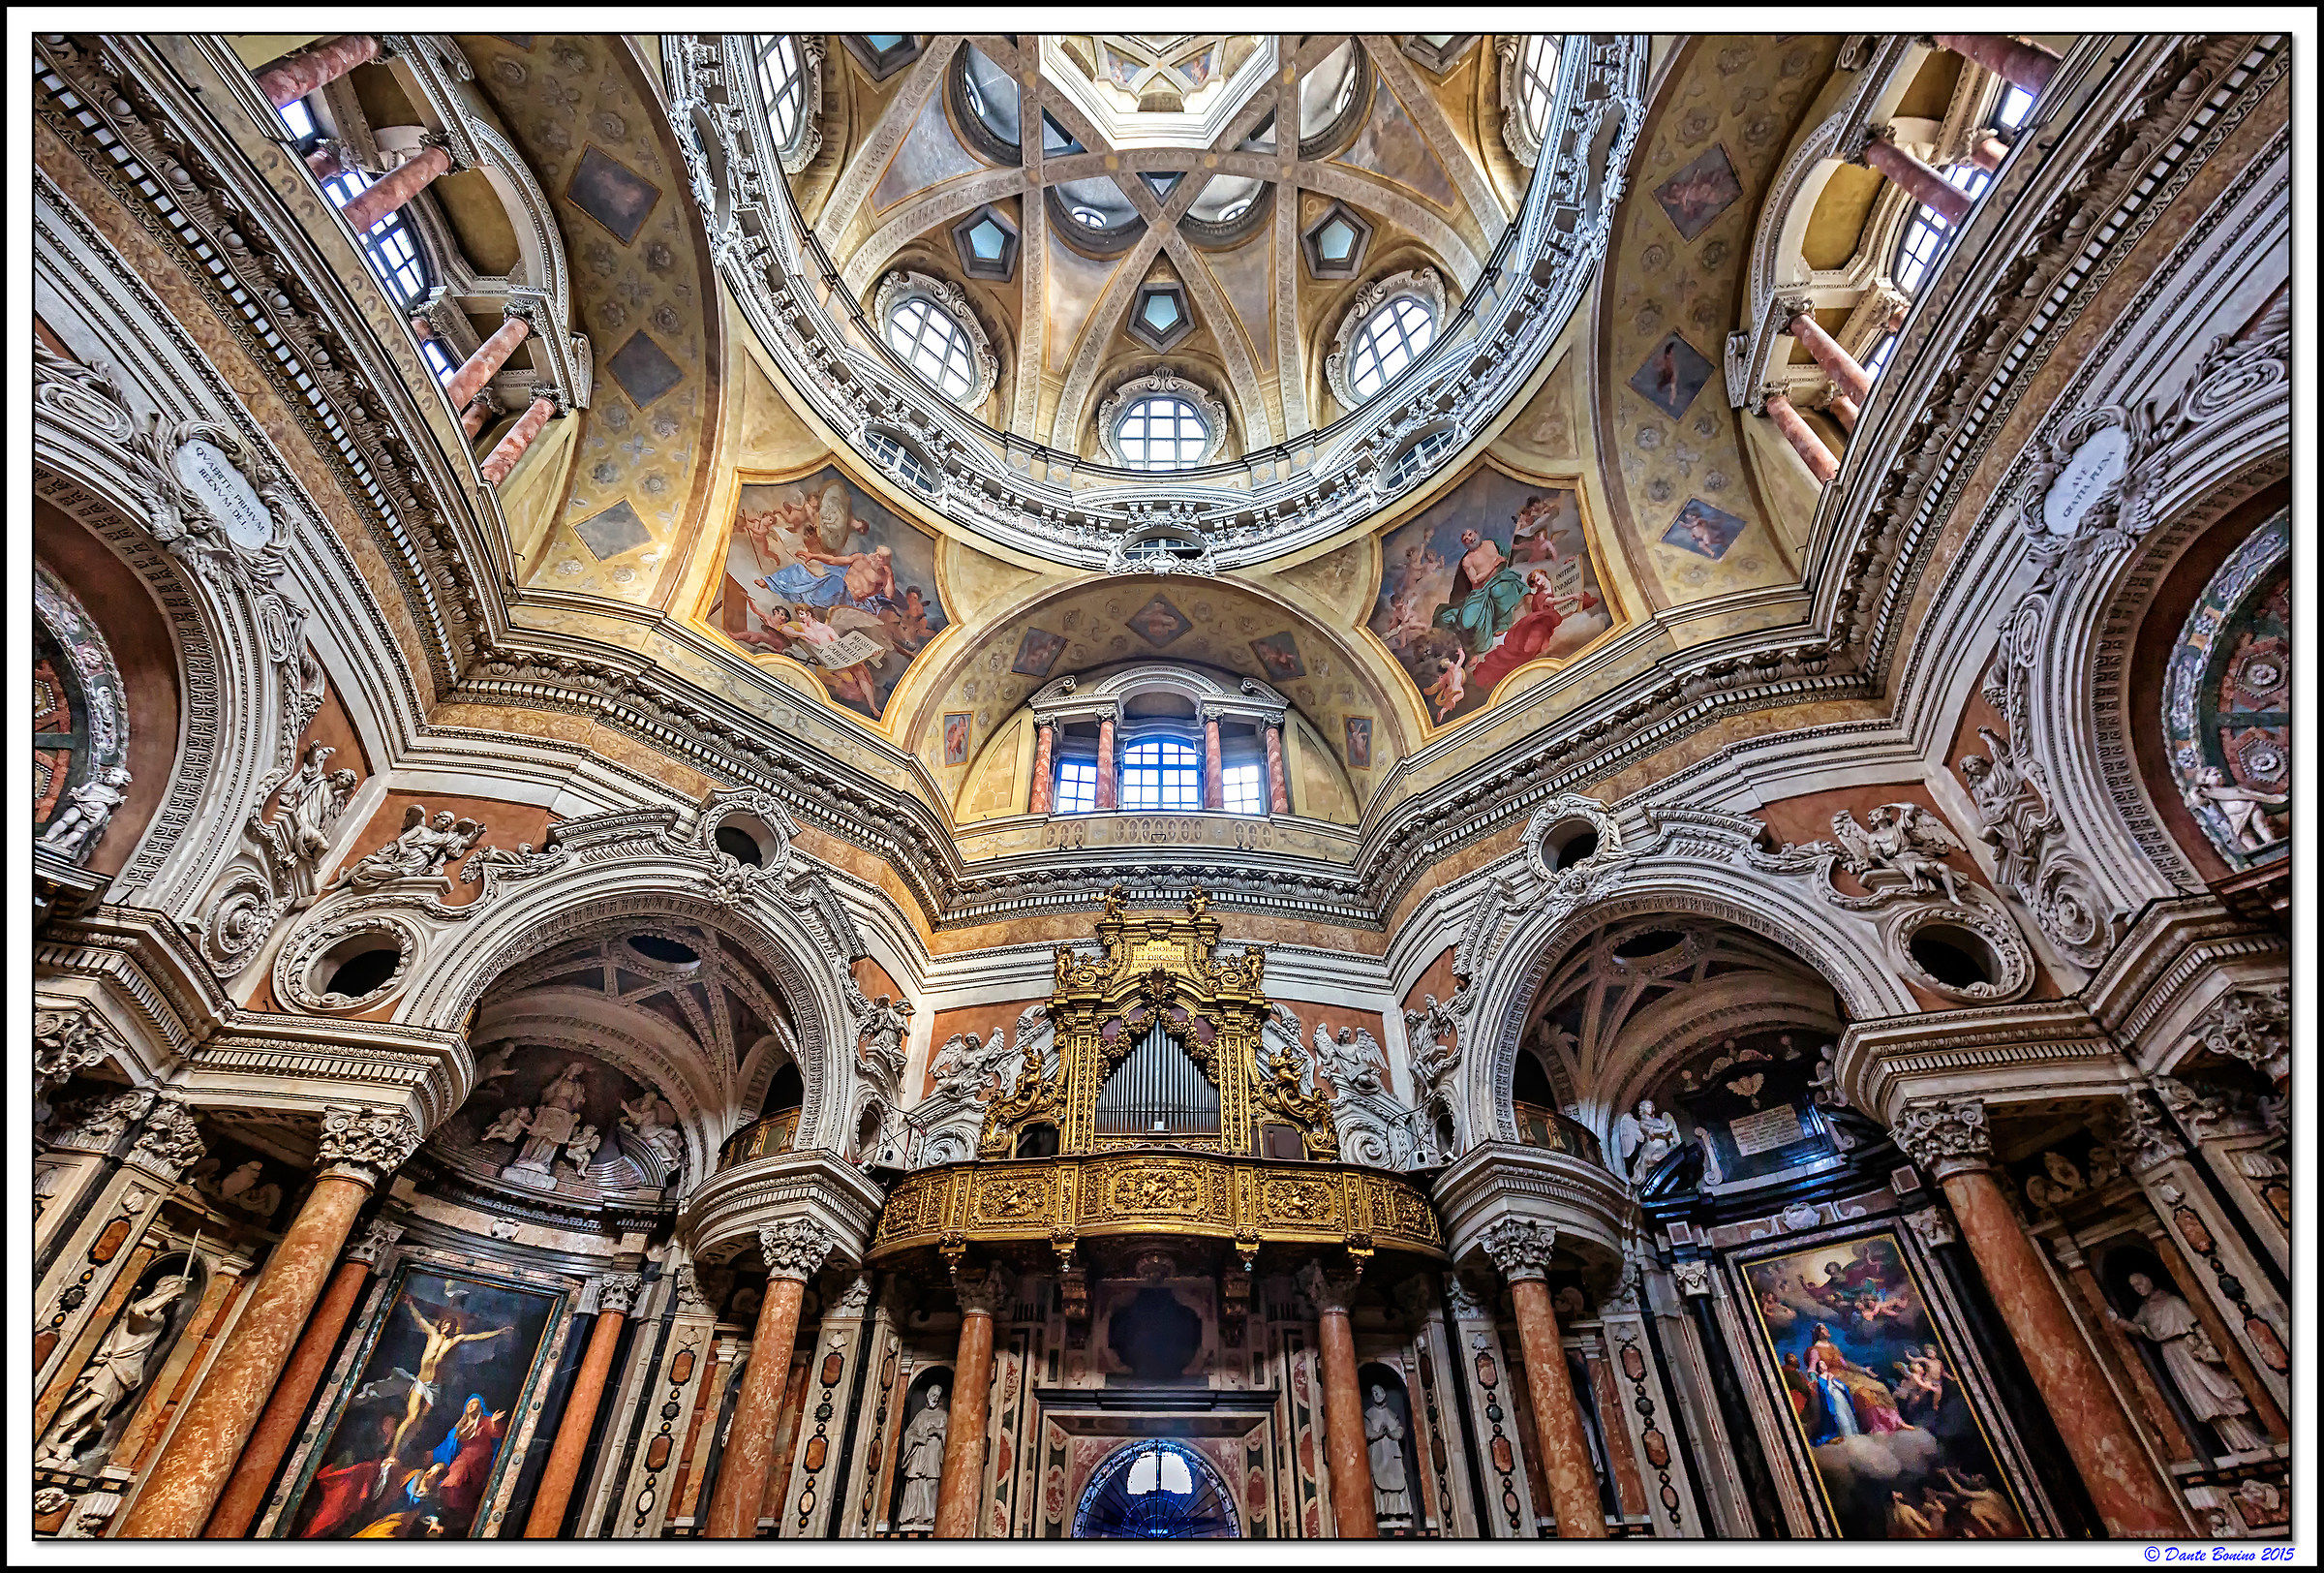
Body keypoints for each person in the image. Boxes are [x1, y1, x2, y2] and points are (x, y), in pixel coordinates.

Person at [36, 1269, 190, 1466]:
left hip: (129, 1370)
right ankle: (55, 1435)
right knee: (95, 1400)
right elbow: (141, 1312)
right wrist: (172, 1292)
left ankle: (70, 1443)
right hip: (115, 1363)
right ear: (165, 1289)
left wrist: (172, 1295)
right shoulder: (145, 1306)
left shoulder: (162, 1316)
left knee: (102, 1409)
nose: (178, 1298)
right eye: (175, 1292)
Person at [2105, 1271, 2267, 1452]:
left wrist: (2208, 1348)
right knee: (2202, 1399)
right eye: (2134, 1286)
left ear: (2149, 1279)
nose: (2139, 1288)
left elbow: (2196, 1324)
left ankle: (2253, 1438)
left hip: (2190, 1349)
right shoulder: (2145, 1310)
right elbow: (2138, 1328)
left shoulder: (2173, 1302)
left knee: (2220, 1390)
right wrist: (2118, 1321)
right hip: (2173, 1355)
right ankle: (2234, 1445)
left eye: (2140, 1282)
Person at [894, 1386, 947, 1530]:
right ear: (928, 1395)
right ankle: (911, 1517)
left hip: (933, 1454)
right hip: (919, 1454)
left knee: (930, 1484)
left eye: (937, 1395)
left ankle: (929, 1517)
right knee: (915, 1484)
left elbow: (950, 1434)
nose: (934, 1397)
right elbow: (910, 1432)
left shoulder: (943, 1415)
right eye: (932, 1394)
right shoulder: (921, 1415)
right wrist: (917, 1438)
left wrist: (937, 1431)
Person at [1363, 1384, 1411, 1521]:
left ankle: (1397, 1513)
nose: (1376, 1395)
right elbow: (1366, 1433)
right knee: (1379, 1484)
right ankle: (1382, 1513)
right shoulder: (1369, 1415)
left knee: (1397, 1483)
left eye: (1378, 1392)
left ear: (1384, 1393)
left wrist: (1390, 1433)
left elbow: (1400, 1431)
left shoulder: (1392, 1414)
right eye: (1373, 1393)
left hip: (1392, 1455)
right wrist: (1379, 1433)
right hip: (1377, 1455)